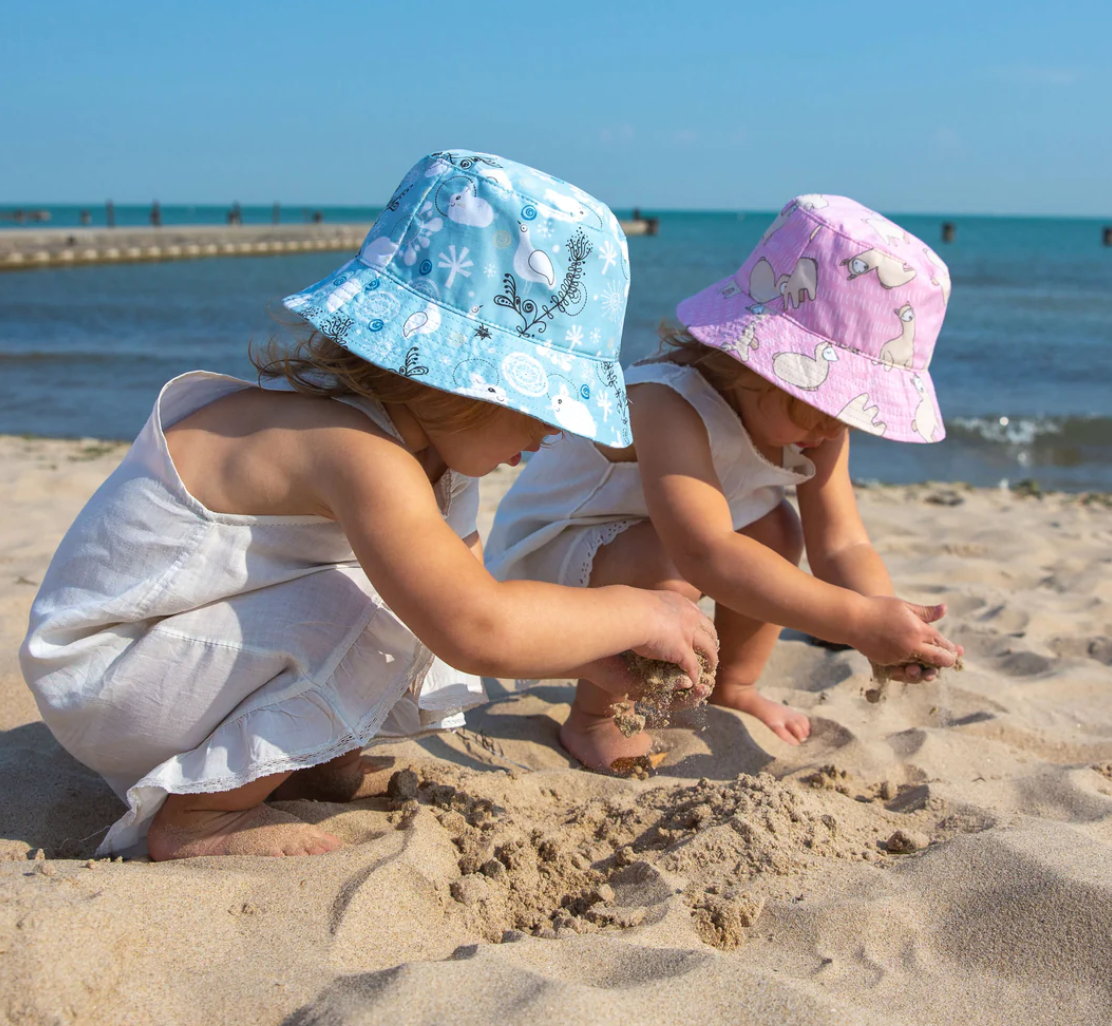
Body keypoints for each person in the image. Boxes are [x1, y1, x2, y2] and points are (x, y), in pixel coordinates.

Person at [19, 151, 718, 861]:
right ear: (455, 379)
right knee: (372, 618)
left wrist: (585, 659)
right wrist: (643, 610)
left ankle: (299, 764)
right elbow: (475, 626)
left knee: (405, 608)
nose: (556, 427)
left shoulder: (436, 454)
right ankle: (198, 822)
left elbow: (474, 605)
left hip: (178, 661)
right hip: (109, 671)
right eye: (537, 399)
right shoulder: (352, 450)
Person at [486, 194, 963, 772]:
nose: (831, 425)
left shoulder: (818, 425)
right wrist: (854, 622)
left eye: (846, 411)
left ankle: (734, 684)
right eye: (818, 401)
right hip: (549, 566)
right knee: (677, 561)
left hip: (651, 552)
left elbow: (842, 543)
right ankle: (595, 717)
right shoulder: (667, 402)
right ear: (752, 359)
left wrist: (883, 618)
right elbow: (704, 550)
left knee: (777, 530)